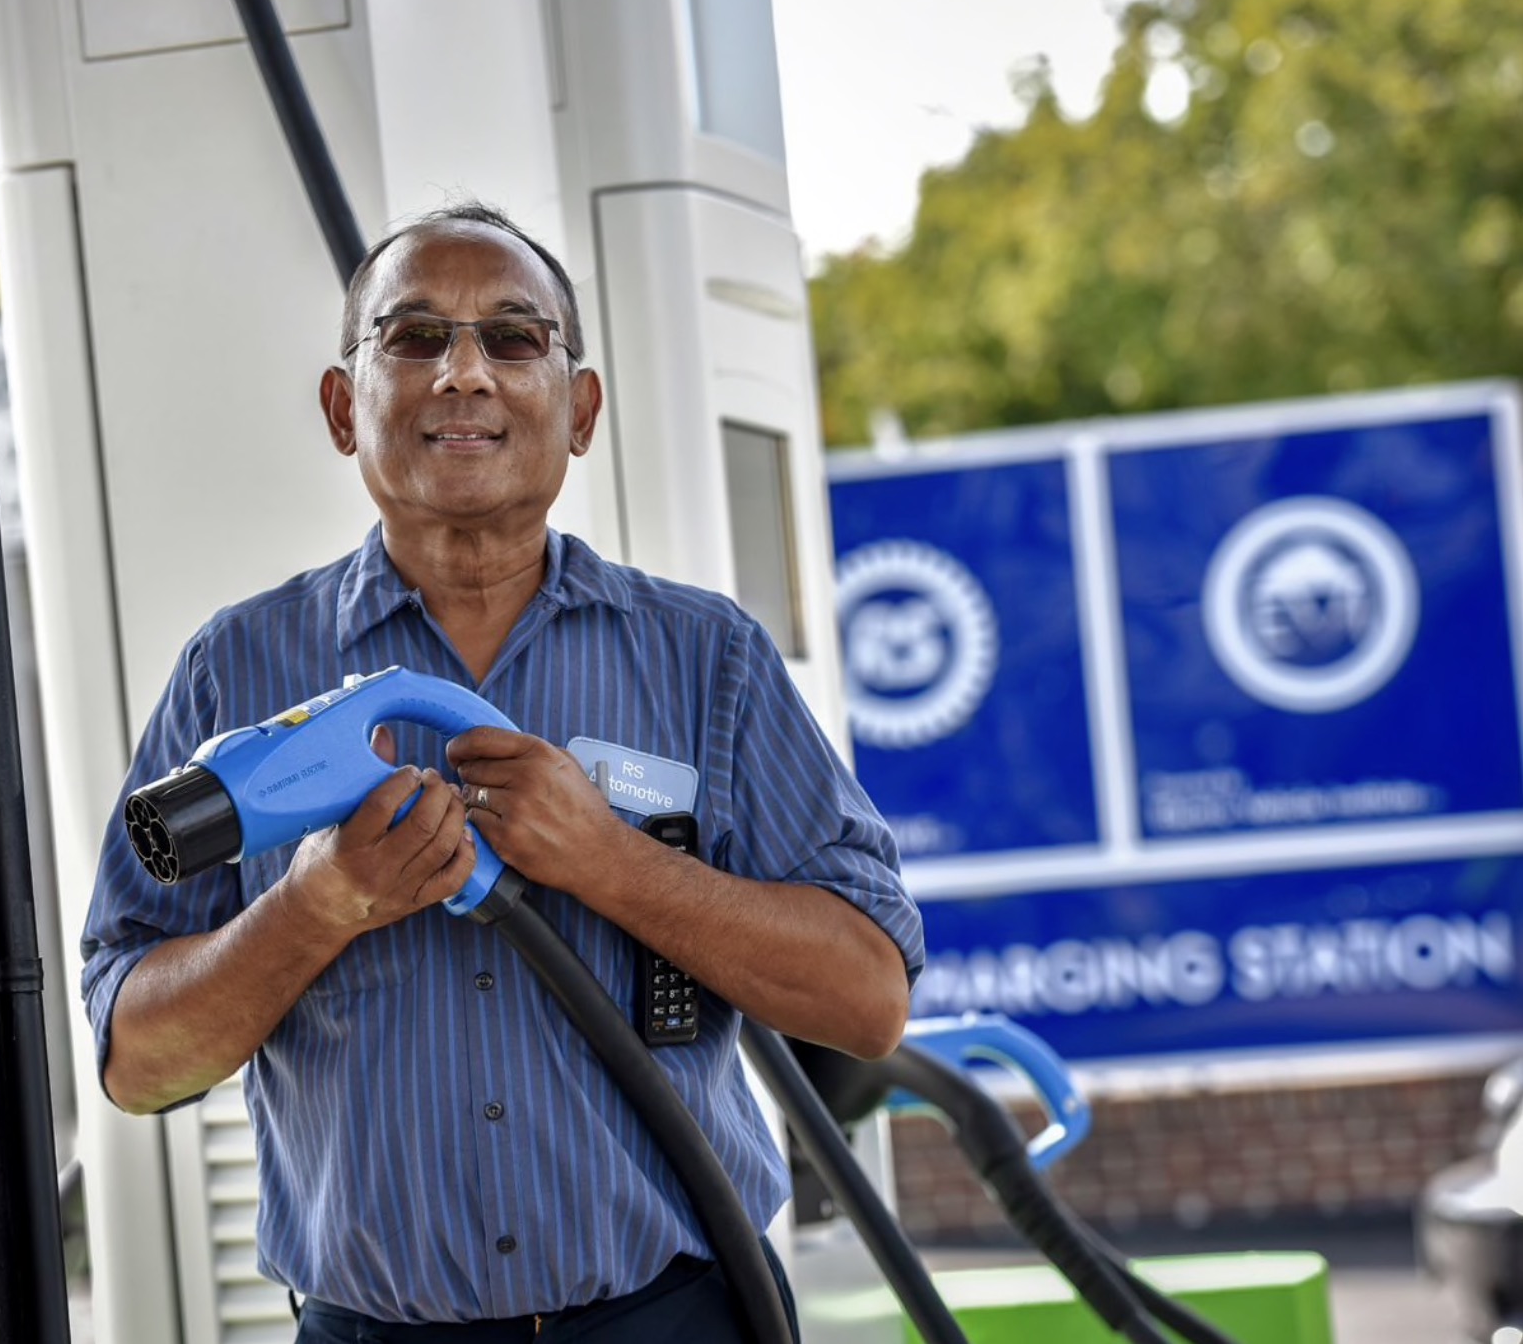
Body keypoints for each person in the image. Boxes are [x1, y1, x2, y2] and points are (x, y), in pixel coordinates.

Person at [81, 202, 924, 1341]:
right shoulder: (237, 669)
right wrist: (320, 905)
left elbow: (865, 1000)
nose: (464, 374)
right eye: (414, 338)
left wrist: (611, 865)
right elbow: (136, 1064)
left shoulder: (702, 659)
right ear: (344, 408)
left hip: (675, 1318)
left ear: (578, 411)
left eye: (514, 337)